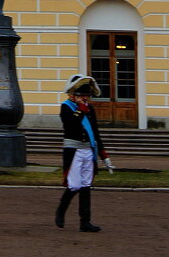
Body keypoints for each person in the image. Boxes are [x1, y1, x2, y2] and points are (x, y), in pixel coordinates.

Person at [55, 74, 113, 232]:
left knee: (86, 185)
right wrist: (81, 109)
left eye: (87, 96)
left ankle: (85, 222)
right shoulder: (66, 107)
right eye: (83, 96)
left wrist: (103, 155)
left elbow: (95, 133)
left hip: (88, 150)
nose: (86, 99)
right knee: (74, 185)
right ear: (73, 96)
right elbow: (70, 126)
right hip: (74, 151)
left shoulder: (90, 109)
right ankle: (61, 210)